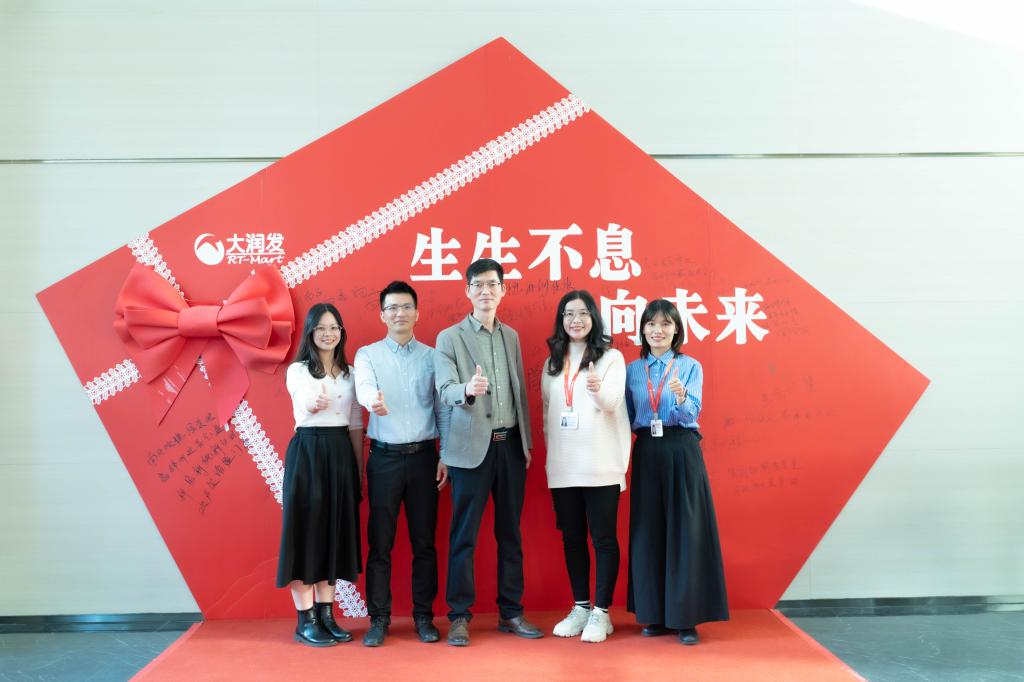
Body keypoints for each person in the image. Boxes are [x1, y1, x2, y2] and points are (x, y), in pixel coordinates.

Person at [434, 258, 541, 646]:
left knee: (510, 534)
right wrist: (467, 389)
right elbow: (444, 389)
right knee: (463, 536)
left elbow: (519, 391)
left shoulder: (510, 336)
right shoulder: (450, 338)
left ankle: (511, 612)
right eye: (478, 284)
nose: (485, 290)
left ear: (503, 290)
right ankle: (459, 616)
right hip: (469, 450)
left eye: (492, 284)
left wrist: (525, 443)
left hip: (510, 446)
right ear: (467, 290)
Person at [624, 299, 729, 645]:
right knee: (648, 531)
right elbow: (626, 417)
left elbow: (692, 414)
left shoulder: (690, 366)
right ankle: (654, 615)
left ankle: (685, 619)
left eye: (666, 324)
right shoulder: (632, 370)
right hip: (647, 451)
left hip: (682, 449)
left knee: (686, 531)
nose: (658, 330)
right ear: (642, 329)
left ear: (676, 330)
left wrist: (682, 398)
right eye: (651, 324)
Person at [353, 281, 447, 647]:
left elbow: (441, 408)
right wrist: (371, 401)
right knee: (380, 544)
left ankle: (424, 617)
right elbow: (364, 386)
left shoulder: (432, 356)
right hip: (385, 459)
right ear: (382, 315)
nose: (399, 313)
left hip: (425, 458)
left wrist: (445, 455)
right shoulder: (368, 354)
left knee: (425, 543)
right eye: (392, 308)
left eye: (406, 307)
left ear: (417, 313)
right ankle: (379, 618)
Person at [541, 290, 630, 643]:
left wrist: (595, 389)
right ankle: (581, 607)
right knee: (573, 539)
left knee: (604, 539)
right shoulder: (552, 363)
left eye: (582, 313)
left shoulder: (611, 358)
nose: (575, 320)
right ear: (561, 320)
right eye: (568, 314)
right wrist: (552, 458)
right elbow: (548, 414)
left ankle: (602, 613)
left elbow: (612, 402)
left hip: (601, 464)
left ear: (593, 317)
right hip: (564, 466)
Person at [276, 303, 364, 647]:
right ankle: (306, 620)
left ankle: (327, 615)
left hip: (340, 453)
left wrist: (358, 469)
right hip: (309, 453)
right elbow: (303, 399)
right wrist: (313, 404)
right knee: (305, 533)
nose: (328, 334)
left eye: (334, 328)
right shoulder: (298, 371)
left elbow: (355, 424)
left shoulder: (351, 373)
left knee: (333, 533)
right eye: (321, 328)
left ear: (342, 332)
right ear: (310, 333)